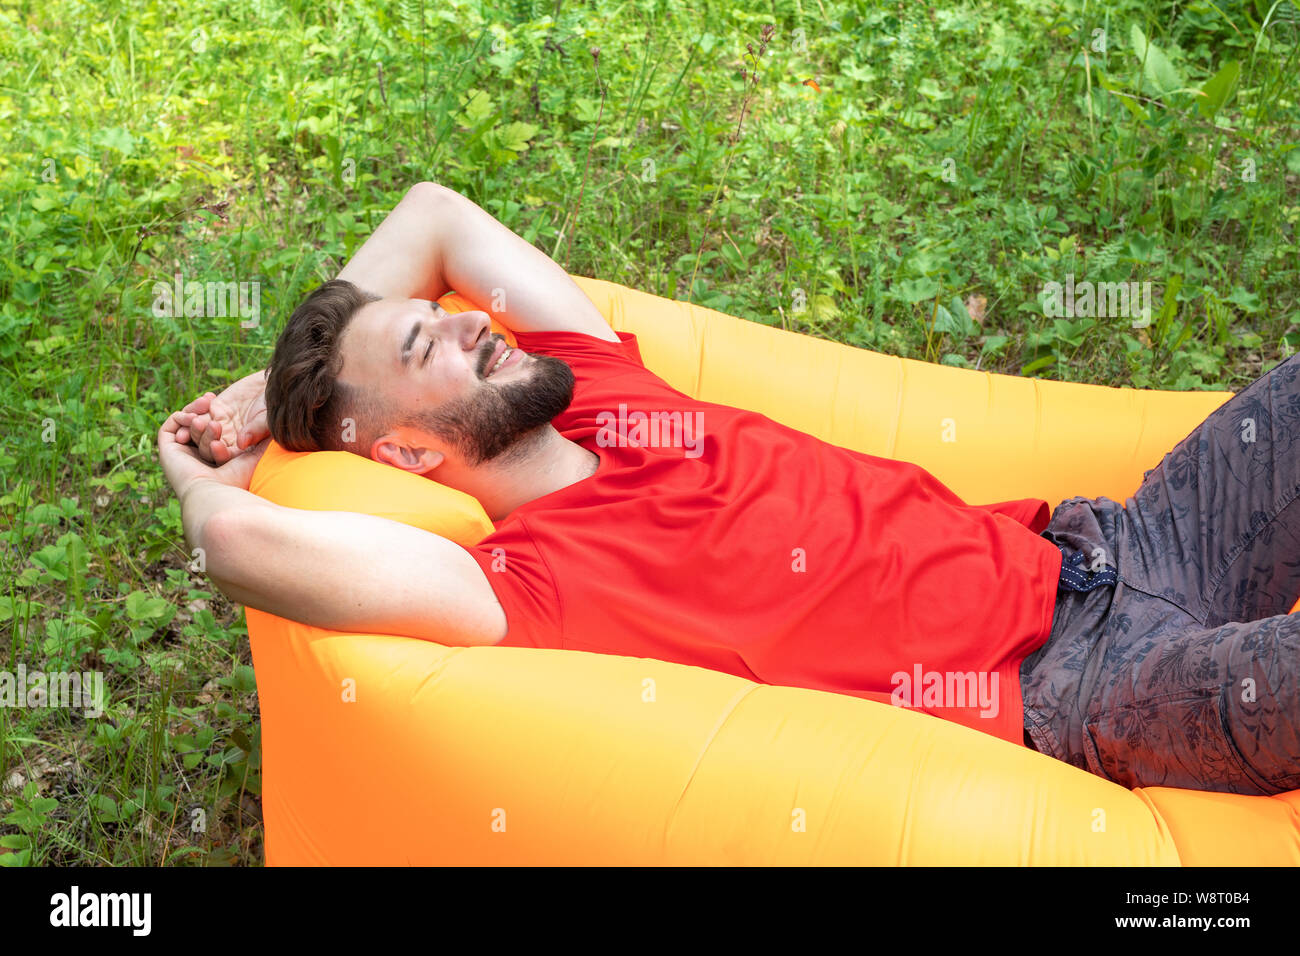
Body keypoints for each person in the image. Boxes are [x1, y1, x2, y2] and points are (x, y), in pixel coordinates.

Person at [157, 182, 1299, 797]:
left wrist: (268, 388)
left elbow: (434, 212)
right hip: (1089, 686)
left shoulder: (598, 386)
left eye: (443, 315)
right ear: (407, 456)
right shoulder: (526, 586)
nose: (467, 316)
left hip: (1117, 544)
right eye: (427, 348)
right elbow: (243, 545)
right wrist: (194, 464)